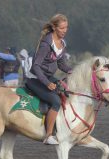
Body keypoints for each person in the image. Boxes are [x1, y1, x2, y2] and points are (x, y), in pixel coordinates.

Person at [26, 14, 72, 145]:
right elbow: (35, 66)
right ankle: (48, 135)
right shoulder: (46, 43)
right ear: (54, 27)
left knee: (67, 92)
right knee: (56, 101)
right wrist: (47, 83)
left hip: (47, 77)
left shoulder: (62, 44)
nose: (65, 30)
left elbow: (61, 64)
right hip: (35, 79)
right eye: (62, 28)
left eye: (66, 27)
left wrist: (72, 71)